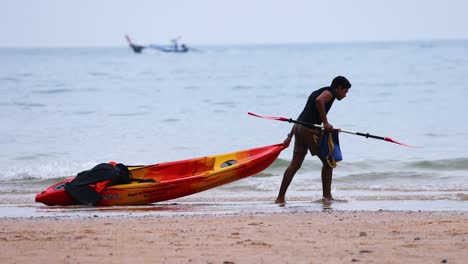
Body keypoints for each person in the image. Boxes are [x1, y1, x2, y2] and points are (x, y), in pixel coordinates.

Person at [275, 76, 351, 204]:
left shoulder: (318, 91)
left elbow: (301, 115)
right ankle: (327, 197)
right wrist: (326, 123)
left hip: (299, 127)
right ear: (339, 88)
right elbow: (319, 101)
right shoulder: (329, 93)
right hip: (307, 130)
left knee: (295, 165)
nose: (345, 95)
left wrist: (290, 135)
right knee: (328, 162)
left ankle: (280, 198)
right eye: (345, 91)